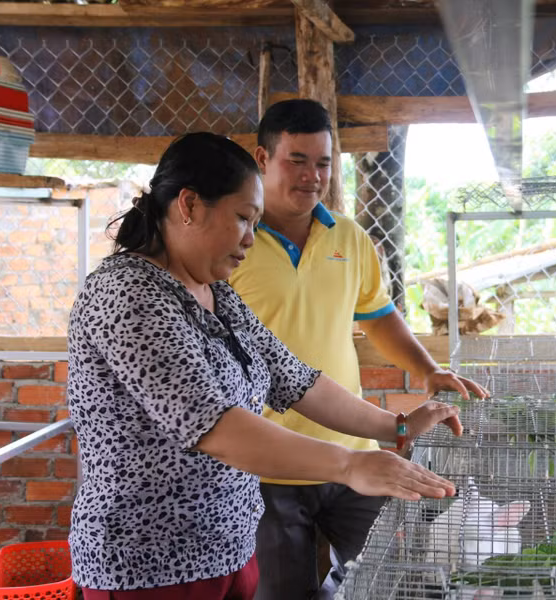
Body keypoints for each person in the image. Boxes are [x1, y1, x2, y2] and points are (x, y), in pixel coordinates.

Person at [66, 132, 463, 600]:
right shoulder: (126, 293)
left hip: (228, 548)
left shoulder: (217, 293)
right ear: (189, 205)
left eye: (255, 223)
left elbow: (296, 380)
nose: (250, 239)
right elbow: (212, 425)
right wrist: (350, 464)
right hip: (149, 565)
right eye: (242, 218)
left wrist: (398, 427)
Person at [228, 99, 488, 599]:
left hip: (354, 451)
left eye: (323, 163)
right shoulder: (234, 242)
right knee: (282, 593)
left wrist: (428, 370)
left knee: (389, 581)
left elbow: (378, 315)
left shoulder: (348, 237)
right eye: (297, 160)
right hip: (267, 461)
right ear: (262, 158)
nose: (312, 176)